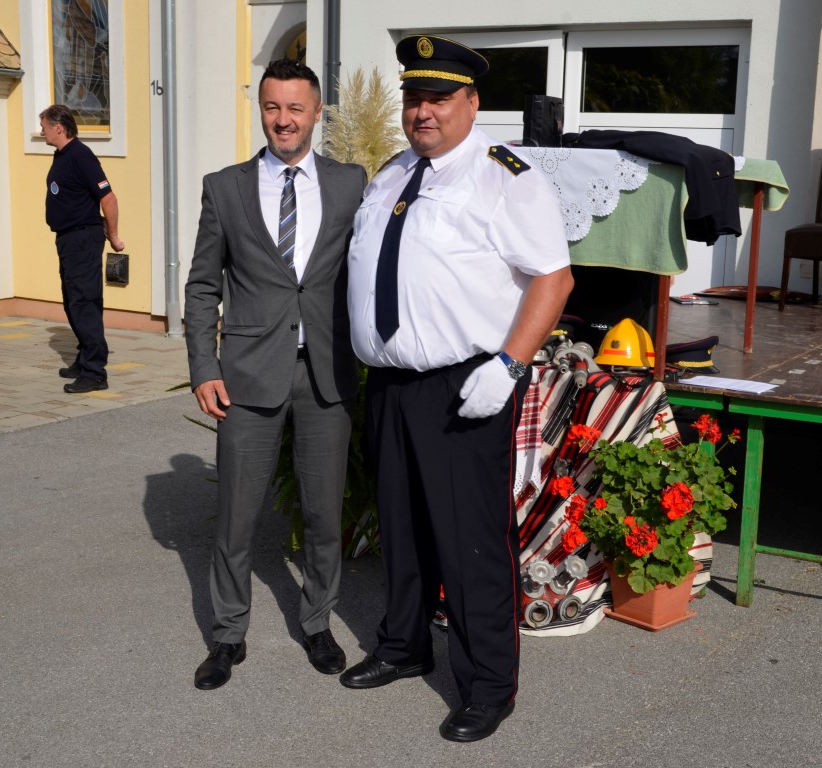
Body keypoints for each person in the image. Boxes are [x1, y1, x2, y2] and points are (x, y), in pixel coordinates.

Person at [340, 35, 573, 742]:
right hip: (390, 383)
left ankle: (488, 683)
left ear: (471, 102)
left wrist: (508, 365)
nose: (423, 111)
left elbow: (554, 277)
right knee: (401, 525)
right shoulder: (392, 173)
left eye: (439, 98)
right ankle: (403, 645)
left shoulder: (506, 178)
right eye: (414, 97)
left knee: (470, 541)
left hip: (464, 385)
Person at [184, 59, 367, 690]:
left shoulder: (351, 183)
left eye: (295, 108)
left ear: (317, 113)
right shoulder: (224, 187)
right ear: (260, 109)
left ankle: (317, 622)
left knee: (323, 515)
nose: (283, 120)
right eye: (272, 107)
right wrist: (203, 366)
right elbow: (202, 285)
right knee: (237, 517)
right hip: (246, 375)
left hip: (326, 375)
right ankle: (227, 635)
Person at [39, 104, 124, 394]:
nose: (42, 132)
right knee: (73, 301)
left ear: (59, 127)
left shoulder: (81, 155)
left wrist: (114, 236)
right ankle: (85, 357)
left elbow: (108, 198)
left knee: (84, 302)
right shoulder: (63, 155)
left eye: (44, 127)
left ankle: (94, 372)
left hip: (83, 239)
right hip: (68, 239)